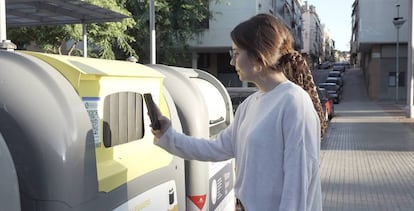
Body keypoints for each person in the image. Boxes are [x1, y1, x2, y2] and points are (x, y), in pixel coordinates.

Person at [150, 13, 322, 211]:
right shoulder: (250, 105)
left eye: (236, 53)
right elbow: (216, 148)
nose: (232, 62)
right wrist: (168, 136)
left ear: (259, 55)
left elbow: (298, 186)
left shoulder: (294, 102)